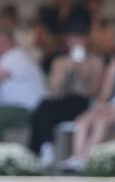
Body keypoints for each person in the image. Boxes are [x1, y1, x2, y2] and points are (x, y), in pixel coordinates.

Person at [67, 23, 115, 169]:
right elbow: (105, 93)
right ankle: (78, 157)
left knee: (101, 122)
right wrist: (102, 104)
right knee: (83, 120)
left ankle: (85, 158)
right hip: (113, 105)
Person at [27, 31, 103, 163]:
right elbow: (53, 90)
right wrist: (65, 71)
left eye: (81, 39)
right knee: (43, 107)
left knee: (45, 111)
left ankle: (36, 153)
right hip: (62, 101)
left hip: (82, 103)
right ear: (68, 41)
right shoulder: (59, 61)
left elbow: (95, 92)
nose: (77, 43)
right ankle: (46, 147)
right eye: (74, 39)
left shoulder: (95, 61)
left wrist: (85, 73)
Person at [0, 21, 45, 144]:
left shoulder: (14, 56)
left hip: (27, 109)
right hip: (22, 107)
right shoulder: (13, 57)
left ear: (7, 41)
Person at [35, 0, 90, 72]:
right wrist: (60, 40)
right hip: (50, 59)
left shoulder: (83, 13)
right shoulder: (47, 12)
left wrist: (58, 39)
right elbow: (40, 38)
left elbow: (88, 38)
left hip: (76, 60)